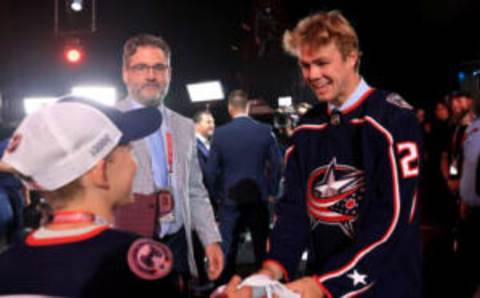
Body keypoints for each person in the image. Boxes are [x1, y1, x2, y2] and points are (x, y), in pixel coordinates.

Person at [251, 10, 422, 297]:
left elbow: (392, 222)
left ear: (352, 56)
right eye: (305, 65)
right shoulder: (307, 128)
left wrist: (324, 285)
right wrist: (272, 269)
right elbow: (293, 211)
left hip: (385, 287)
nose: (312, 75)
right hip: (325, 282)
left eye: (322, 63)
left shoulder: (393, 119)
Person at [0, 97, 180, 296]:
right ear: (99, 171)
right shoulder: (135, 259)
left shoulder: (9, 261)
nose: (135, 163)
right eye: (129, 151)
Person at [114, 33, 223, 290]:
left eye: (159, 67)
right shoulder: (107, 123)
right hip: (126, 246)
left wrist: (210, 239)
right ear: (126, 74)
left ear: (169, 73)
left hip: (176, 245)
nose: (151, 75)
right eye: (141, 67)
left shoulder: (184, 126)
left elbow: (195, 190)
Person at [206, 89, 282, 283]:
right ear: (248, 107)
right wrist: (272, 191)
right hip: (258, 198)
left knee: (228, 247)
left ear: (230, 108)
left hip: (229, 201)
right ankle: (264, 287)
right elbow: (278, 163)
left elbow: (210, 171)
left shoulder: (220, 134)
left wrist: (216, 195)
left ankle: (223, 288)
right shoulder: (265, 131)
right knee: (261, 247)